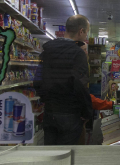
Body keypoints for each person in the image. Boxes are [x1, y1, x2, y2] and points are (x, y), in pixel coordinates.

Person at [34, 15, 92, 145]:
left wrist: (47, 101)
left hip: (49, 112)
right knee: (67, 152)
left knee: (50, 152)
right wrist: (87, 112)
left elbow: (37, 81)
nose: (86, 36)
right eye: (86, 32)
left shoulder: (47, 51)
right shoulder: (78, 53)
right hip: (70, 114)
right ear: (81, 31)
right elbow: (81, 85)